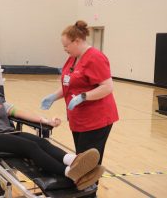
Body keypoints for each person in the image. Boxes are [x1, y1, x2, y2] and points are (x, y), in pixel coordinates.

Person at [0, 68, 104, 191]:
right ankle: (69, 173)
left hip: (8, 134)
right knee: (30, 147)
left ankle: (74, 161)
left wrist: (45, 120)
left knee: (40, 141)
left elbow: (20, 113)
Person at [41, 20, 119, 194]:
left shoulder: (96, 57)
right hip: (79, 119)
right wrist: (54, 96)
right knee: (80, 159)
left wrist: (84, 97)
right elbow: (69, 84)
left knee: (88, 163)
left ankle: (90, 193)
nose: (65, 49)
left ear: (77, 41)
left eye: (66, 46)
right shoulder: (73, 58)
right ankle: (85, 191)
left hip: (96, 119)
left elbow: (107, 87)